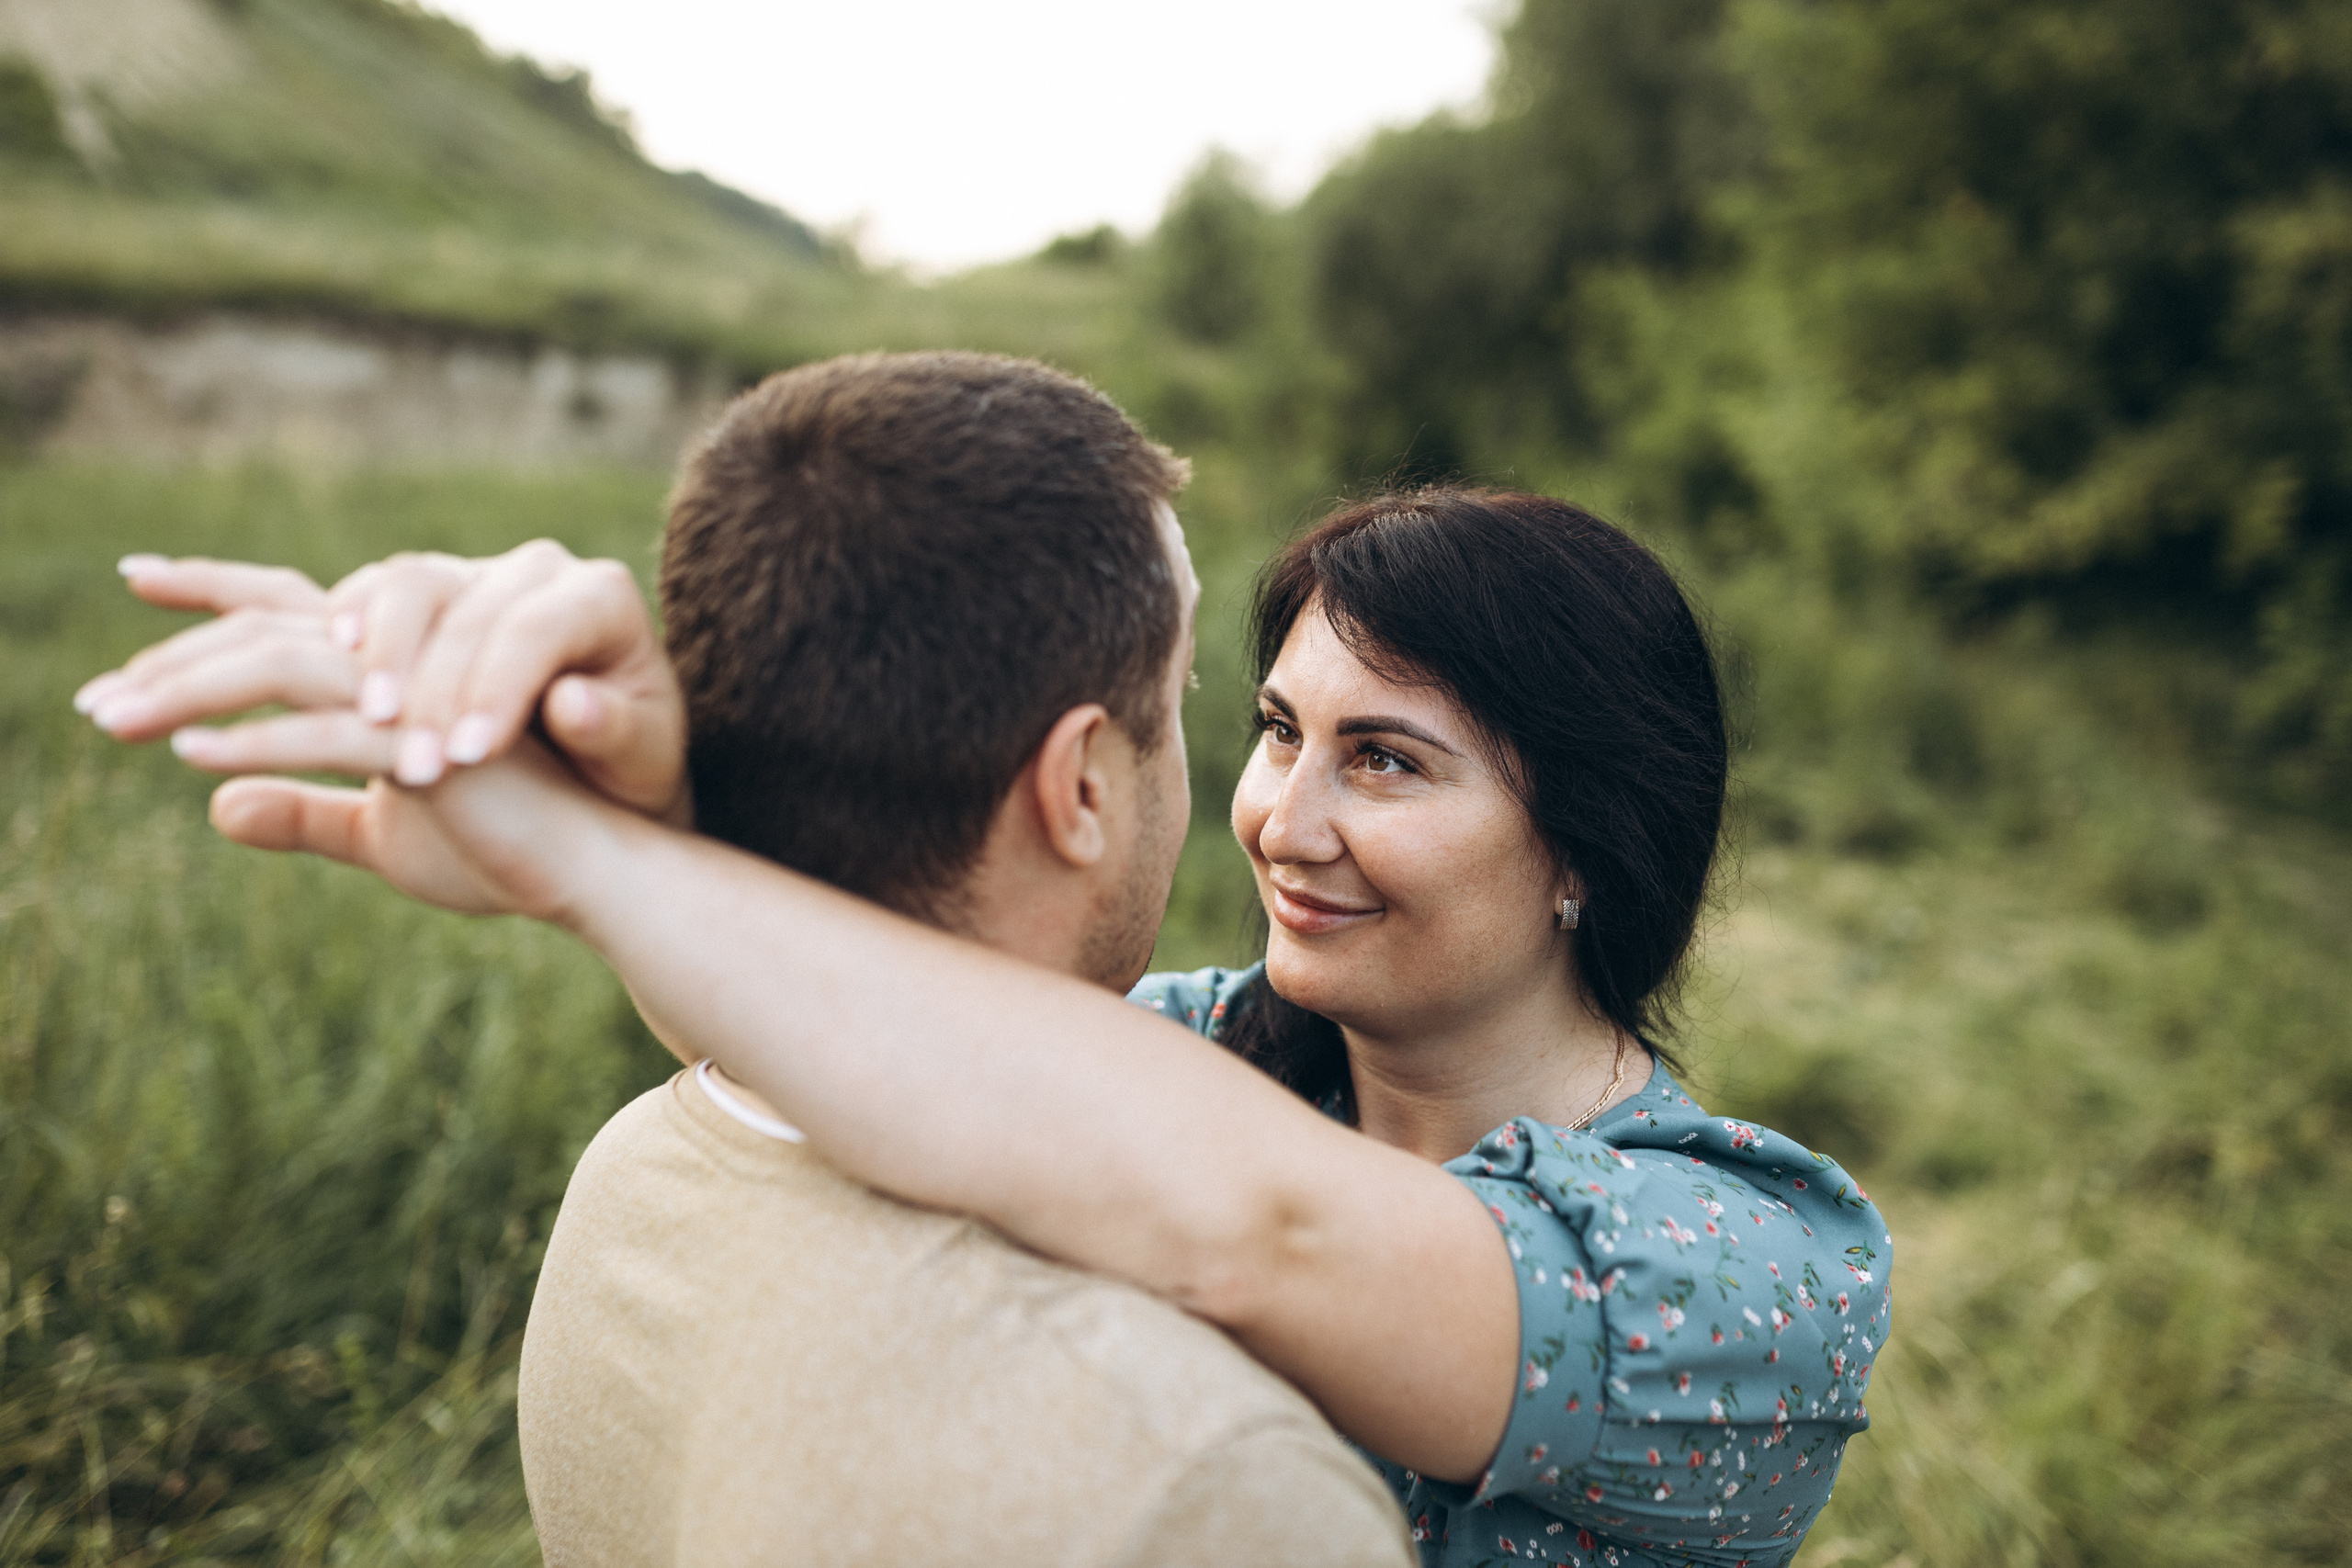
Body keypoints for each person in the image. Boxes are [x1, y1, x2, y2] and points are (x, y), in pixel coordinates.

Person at [85, 367, 1894, 1568]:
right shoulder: (1191, 1049)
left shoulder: (1743, 1267)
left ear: (1582, 841)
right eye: (1269, 727)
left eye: (1388, 759)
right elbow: (850, 1057)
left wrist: (600, 855)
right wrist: (670, 797)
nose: (1280, 815)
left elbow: (1254, 1223)